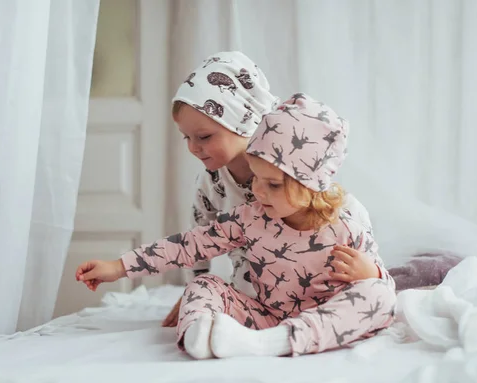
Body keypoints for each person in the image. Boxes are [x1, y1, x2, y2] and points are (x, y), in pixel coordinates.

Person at [75, 93, 397, 359]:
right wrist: (119, 266)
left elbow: (383, 287)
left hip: (323, 318)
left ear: (311, 186)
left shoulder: (346, 228)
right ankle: (200, 335)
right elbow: (188, 245)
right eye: (256, 179)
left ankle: (273, 344)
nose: (257, 191)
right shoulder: (250, 217)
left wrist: (373, 273)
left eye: (272, 185)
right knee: (204, 285)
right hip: (262, 315)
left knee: (378, 296)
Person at [163, 50, 380, 327]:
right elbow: (196, 242)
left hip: (314, 290)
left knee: (374, 296)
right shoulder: (210, 183)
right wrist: (192, 292)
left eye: (204, 136)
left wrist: (369, 270)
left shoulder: (289, 162)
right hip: (254, 298)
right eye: (186, 138)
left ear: (243, 120)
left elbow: (339, 209)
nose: (193, 148)